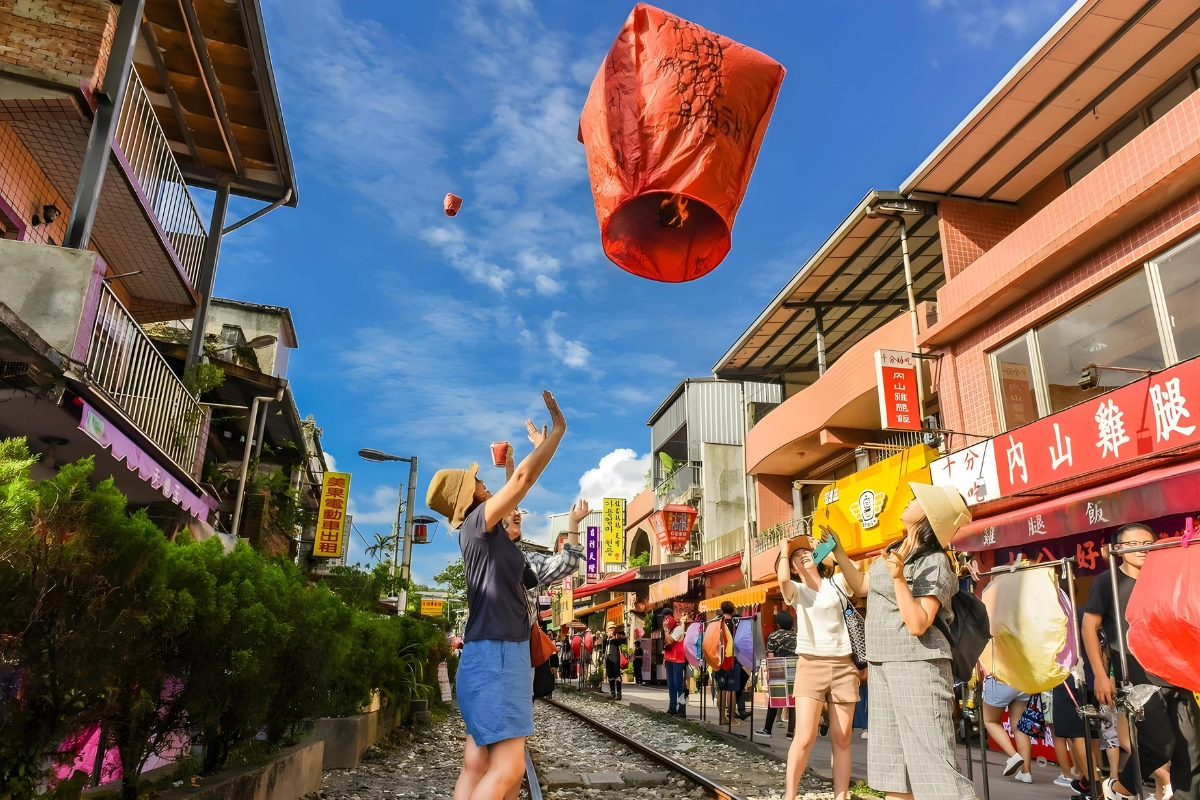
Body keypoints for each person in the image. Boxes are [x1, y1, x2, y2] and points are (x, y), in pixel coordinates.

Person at [430, 390, 565, 800]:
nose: (484, 482)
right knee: (507, 770)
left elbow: (513, 496)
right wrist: (558, 432)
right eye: (478, 481)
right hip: (500, 653)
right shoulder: (477, 523)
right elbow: (523, 483)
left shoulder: (484, 534)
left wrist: (514, 466)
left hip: (484, 653)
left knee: (479, 763)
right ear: (467, 496)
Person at [831, 482, 976, 800]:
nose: (907, 501)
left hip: (918, 665)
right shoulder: (895, 551)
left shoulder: (935, 561)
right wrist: (838, 550)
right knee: (893, 772)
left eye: (915, 500)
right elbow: (862, 585)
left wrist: (899, 579)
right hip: (882, 663)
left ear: (928, 515)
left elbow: (918, 622)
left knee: (934, 768)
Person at [1084, 524, 1200, 800]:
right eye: (1135, 543)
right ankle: (1119, 788)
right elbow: (1089, 628)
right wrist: (1100, 675)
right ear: (1120, 550)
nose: (1144, 549)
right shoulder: (1107, 581)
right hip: (1137, 672)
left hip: (1175, 669)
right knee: (1159, 744)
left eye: (1149, 542)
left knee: (1192, 748)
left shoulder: (1165, 578)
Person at [776, 534, 861, 800]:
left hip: (844, 665)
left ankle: (841, 795)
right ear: (791, 567)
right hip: (810, 665)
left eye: (806, 553)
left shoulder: (836, 583)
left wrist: (825, 550)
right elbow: (781, 580)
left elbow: (855, 570)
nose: (802, 555)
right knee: (804, 736)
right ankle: (789, 795)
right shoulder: (796, 591)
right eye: (795, 557)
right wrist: (783, 549)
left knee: (842, 737)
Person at [980, 674, 1033, 783]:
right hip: (1025, 680)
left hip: (1000, 678)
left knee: (990, 721)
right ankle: (1026, 772)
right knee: (1019, 726)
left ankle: (1014, 756)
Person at [757, 609, 798, 738]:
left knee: (774, 699)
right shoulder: (796, 636)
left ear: (778, 623)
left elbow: (770, 655)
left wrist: (768, 673)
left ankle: (767, 729)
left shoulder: (773, 636)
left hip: (778, 667)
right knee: (792, 701)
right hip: (794, 668)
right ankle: (791, 732)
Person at [712, 601, 741, 725]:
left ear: (721, 609)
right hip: (733, 659)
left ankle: (722, 718)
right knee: (732, 690)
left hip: (719, 659)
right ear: (733, 609)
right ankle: (732, 719)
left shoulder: (717, 622)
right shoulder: (737, 623)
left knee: (721, 690)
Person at [663, 610, 687, 715]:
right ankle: (672, 707)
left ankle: (682, 707)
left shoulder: (678, 629)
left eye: (666, 618)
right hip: (670, 660)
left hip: (677, 660)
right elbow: (666, 643)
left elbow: (670, 640)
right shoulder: (670, 629)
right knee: (671, 685)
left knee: (678, 684)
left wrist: (665, 630)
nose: (665, 621)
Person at [604, 623, 627, 699]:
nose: (610, 631)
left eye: (611, 629)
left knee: (617, 675)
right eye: (609, 629)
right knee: (610, 676)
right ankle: (612, 692)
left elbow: (621, 641)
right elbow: (604, 646)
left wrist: (613, 637)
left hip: (615, 658)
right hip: (608, 658)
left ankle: (619, 693)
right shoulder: (606, 639)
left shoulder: (617, 637)